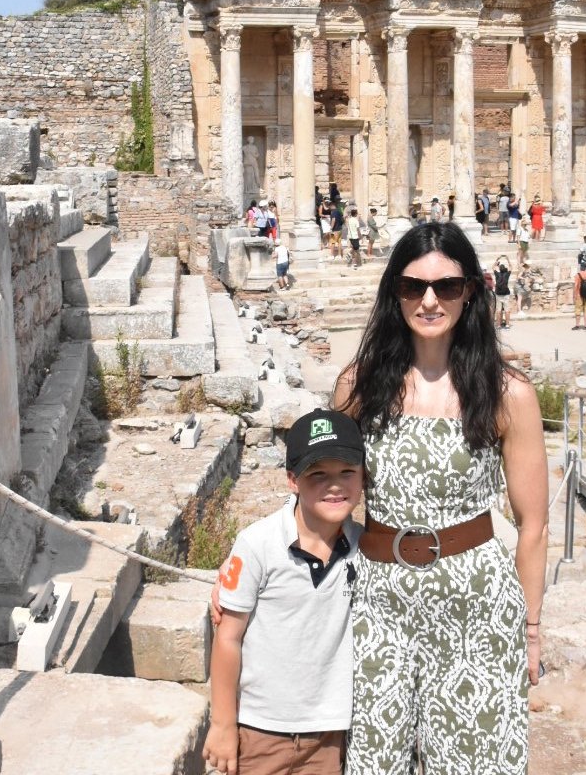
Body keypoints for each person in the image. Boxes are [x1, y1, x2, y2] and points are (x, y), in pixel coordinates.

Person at [332, 221, 546, 773]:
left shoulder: (508, 393)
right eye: (413, 287)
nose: (429, 301)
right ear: (394, 293)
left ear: (470, 291)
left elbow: (533, 523)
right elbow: (325, 495)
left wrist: (531, 629)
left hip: (476, 602)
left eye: (446, 287)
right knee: (372, 760)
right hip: (380, 601)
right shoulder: (358, 385)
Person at [203, 408, 365, 775]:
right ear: (292, 480)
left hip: (328, 734)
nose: (335, 485)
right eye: (318, 474)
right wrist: (223, 724)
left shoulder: (365, 546)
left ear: (363, 476)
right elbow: (228, 638)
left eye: (347, 472)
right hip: (261, 731)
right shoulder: (257, 543)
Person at [573, 260, 586, 331]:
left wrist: (574, 295)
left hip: (579, 295)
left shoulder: (577, 275)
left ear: (580, 267)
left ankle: (577, 325)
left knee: (578, 310)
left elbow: (576, 286)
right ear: (585, 267)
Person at [493, 257, 512, 329]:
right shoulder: (507, 275)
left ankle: (498, 325)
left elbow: (493, 267)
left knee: (498, 310)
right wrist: (508, 259)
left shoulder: (497, 274)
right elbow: (511, 267)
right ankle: (507, 325)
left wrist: (497, 259)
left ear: (499, 269)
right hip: (506, 294)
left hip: (498, 294)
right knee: (507, 310)